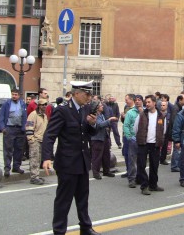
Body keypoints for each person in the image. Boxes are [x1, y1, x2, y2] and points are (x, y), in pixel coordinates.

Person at [42, 80, 101, 235]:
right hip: (67, 163)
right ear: (76, 93)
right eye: (86, 94)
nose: (89, 97)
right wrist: (47, 157)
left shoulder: (85, 109)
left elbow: (88, 133)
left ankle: (86, 228)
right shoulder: (62, 110)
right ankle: (59, 231)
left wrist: (93, 124)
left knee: (83, 198)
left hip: (82, 161)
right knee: (64, 200)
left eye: (90, 94)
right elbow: (50, 135)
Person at [134, 95, 166, 195]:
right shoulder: (142, 115)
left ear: (154, 103)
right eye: (146, 102)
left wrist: (159, 139)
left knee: (154, 165)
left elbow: (163, 129)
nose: (146, 104)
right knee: (141, 165)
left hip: (155, 144)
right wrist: (141, 138)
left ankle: (153, 185)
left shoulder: (160, 115)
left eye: (148, 102)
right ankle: (144, 186)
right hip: (143, 143)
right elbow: (136, 129)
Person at [0, 88, 27, 177]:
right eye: (13, 94)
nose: (14, 96)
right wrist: (3, 128)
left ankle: (16, 167)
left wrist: (24, 127)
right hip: (9, 129)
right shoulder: (6, 104)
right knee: (8, 150)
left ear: (19, 95)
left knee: (19, 149)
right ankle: (7, 168)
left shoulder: (22, 104)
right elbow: (1, 116)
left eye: (15, 95)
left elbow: (25, 116)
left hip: (20, 130)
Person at [90, 101, 118, 180]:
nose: (102, 106)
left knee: (106, 155)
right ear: (96, 108)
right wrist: (109, 120)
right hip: (97, 138)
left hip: (104, 137)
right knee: (97, 156)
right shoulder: (94, 115)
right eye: (100, 105)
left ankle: (106, 171)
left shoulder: (101, 115)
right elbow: (99, 125)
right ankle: (96, 173)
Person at [25, 98, 48, 185]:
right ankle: (34, 177)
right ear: (39, 105)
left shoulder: (45, 116)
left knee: (38, 159)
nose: (44, 106)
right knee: (34, 159)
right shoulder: (33, 114)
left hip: (42, 140)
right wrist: (31, 139)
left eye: (45, 104)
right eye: (42, 105)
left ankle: (36, 175)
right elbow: (29, 127)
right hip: (35, 140)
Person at [124, 94, 144, 188]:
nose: (137, 101)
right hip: (133, 140)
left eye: (139, 100)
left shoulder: (146, 112)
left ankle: (139, 177)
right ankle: (131, 179)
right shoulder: (130, 113)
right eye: (136, 100)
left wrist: (142, 113)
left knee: (141, 160)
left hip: (143, 140)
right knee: (132, 160)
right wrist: (129, 137)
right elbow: (126, 126)